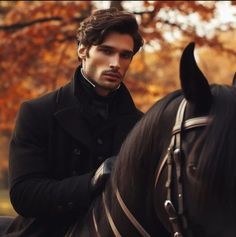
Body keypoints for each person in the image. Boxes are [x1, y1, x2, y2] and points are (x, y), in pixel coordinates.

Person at [2, 7, 144, 237]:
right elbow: (24, 195)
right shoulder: (37, 112)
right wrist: (92, 181)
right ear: (83, 50)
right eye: (106, 51)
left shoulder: (141, 126)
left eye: (125, 55)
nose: (115, 63)